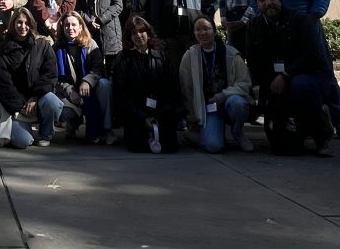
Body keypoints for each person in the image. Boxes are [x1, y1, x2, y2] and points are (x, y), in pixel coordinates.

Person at [246, 0, 335, 157]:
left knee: (300, 86)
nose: (268, 3)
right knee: (283, 148)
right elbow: (254, 62)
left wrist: (286, 76)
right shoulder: (253, 26)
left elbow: (312, 55)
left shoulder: (300, 20)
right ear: (257, 4)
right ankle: (298, 132)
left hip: (309, 77)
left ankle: (321, 135)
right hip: (275, 81)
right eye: (262, 0)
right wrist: (265, 84)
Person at [179, 15, 254, 153]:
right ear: (194, 33)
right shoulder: (189, 57)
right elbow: (186, 90)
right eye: (198, 30)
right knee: (214, 146)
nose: (202, 33)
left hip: (228, 102)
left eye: (206, 29)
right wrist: (192, 118)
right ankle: (201, 134)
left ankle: (238, 132)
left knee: (237, 103)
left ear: (214, 30)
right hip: (208, 109)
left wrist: (223, 95)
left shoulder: (231, 54)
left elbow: (244, 83)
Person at [0, 7, 62, 148]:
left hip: (38, 99)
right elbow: (4, 82)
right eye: (19, 22)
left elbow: (50, 74)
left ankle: (45, 134)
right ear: (13, 24)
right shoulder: (3, 49)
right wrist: (20, 106)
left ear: (31, 24)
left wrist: (35, 97)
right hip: (17, 105)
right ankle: (22, 128)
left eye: (26, 22)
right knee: (22, 142)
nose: (23, 27)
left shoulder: (42, 45)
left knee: (53, 102)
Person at [112, 15, 180, 154]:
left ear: (148, 33)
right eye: (133, 33)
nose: (138, 36)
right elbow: (122, 94)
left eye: (141, 31)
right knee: (138, 146)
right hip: (136, 114)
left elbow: (172, 88)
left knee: (170, 146)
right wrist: (143, 117)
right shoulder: (123, 59)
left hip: (161, 113)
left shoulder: (162, 56)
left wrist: (160, 114)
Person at [54, 12, 115, 144]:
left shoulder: (91, 44)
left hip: (90, 90)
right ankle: (71, 125)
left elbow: (99, 68)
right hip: (69, 93)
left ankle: (106, 129)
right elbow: (55, 78)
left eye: (74, 24)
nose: (70, 28)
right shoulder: (57, 48)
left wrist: (87, 81)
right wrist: (70, 91)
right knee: (64, 110)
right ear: (62, 27)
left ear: (81, 27)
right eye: (67, 25)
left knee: (105, 85)